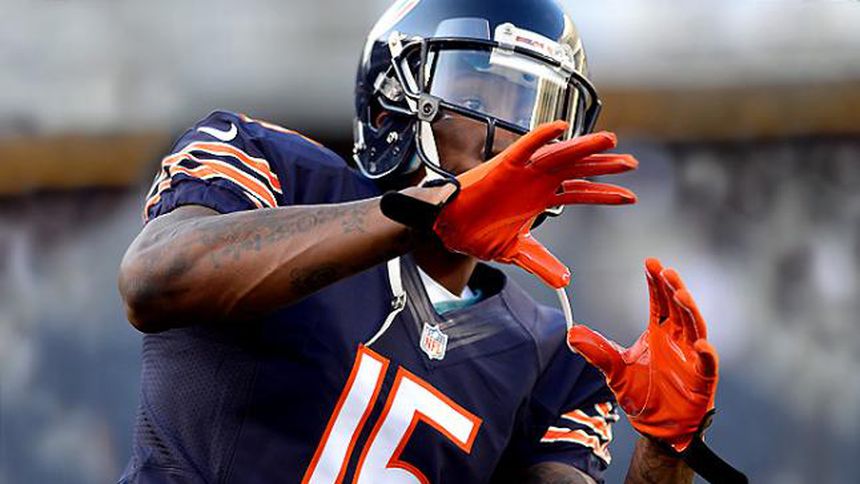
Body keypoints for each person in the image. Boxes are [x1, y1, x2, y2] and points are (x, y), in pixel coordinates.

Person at [117, 1, 740, 483]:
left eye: (537, 107)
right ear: (391, 105)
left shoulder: (554, 357)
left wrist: (664, 452)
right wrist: (424, 213)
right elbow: (156, 281)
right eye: (479, 95)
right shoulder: (272, 165)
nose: (515, 132)